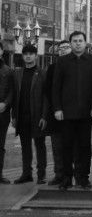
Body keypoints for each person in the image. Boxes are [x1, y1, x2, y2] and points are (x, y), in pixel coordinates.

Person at [52, 31, 92, 190]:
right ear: (71, 43)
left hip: (85, 113)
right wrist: (57, 108)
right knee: (66, 146)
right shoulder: (62, 61)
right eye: (74, 41)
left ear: (85, 43)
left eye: (80, 41)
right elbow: (56, 87)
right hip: (66, 113)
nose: (77, 43)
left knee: (84, 146)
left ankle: (83, 177)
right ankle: (67, 178)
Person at [11, 44, 48, 184]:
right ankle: (26, 174)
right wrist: (14, 116)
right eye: (25, 54)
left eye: (31, 54)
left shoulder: (42, 73)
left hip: (37, 116)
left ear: (36, 56)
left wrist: (44, 116)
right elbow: (15, 96)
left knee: (40, 145)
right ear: (22, 56)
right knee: (25, 147)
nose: (28, 56)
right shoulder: (18, 73)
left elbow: (46, 97)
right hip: (22, 116)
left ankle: (41, 174)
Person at [43, 40, 71, 186]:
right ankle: (59, 174)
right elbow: (48, 90)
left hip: (73, 113)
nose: (63, 50)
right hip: (56, 113)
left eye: (66, 47)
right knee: (57, 146)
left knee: (73, 146)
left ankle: (73, 174)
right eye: (60, 48)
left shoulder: (76, 66)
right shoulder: (52, 68)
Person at [0, 42, 13, 184]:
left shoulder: (8, 71)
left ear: (2, 51)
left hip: (2, 113)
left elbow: (12, 91)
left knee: (0, 145)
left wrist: (5, 103)